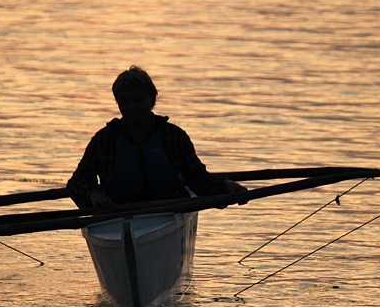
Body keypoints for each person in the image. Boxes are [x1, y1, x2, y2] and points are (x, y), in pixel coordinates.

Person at [67, 66, 246, 210]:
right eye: (124, 101)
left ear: (152, 99)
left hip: (168, 212)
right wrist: (92, 194)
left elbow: (199, 181)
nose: (131, 107)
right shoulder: (105, 139)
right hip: (116, 216)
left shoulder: (173, 136)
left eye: (138, 99)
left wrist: (226, 187)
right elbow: (76, 183)